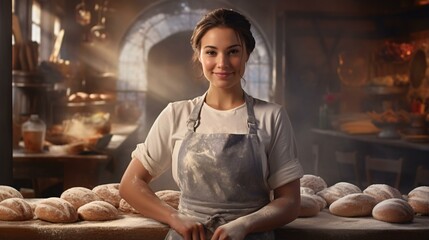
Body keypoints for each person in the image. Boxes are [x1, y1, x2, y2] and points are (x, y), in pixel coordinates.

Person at [119, 8, 304, 240]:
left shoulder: (272, 116)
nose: (222, 63)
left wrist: (245, 225)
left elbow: (290, 201)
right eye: (211, 52)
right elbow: (130, 184)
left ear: (247, 53)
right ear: (199, 55)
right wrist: (174, 217)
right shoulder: (176, 114)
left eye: (233, 52)